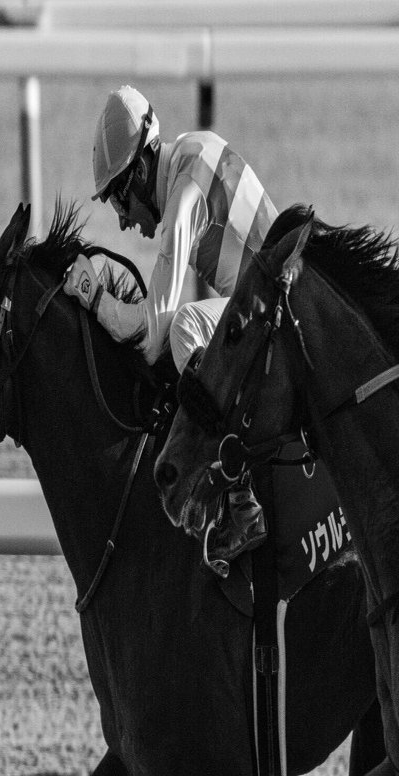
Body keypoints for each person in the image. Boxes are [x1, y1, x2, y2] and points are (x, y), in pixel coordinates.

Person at [64, 84, 278, 572]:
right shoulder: (192, 151)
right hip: (271, 302)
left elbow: (152, 334)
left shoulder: (184, 196)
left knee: (185, 328)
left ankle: (240, 501)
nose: (123, 222)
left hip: (273, 315)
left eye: (120, 201)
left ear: (140, 172)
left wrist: (94, 297)